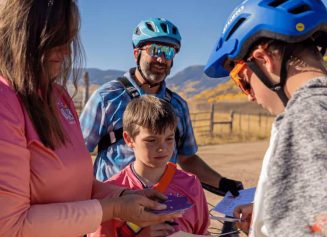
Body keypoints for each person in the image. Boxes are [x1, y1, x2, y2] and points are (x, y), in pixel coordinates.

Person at [0, 1, 181, 237]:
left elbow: (75, 183)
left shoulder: (55, 96)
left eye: (68, 39)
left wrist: (122, 196)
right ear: (21, 33)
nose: (66, 51)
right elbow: (3, 230)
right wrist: (114, 210)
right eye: (55, 39)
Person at [204, 0, 327, 237]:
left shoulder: (311, 117)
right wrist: (274, 214)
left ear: (264, 59)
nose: (249, 95)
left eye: (242, 79)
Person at [80, 17, 243, 196]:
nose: (161, 58)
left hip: (162, 204)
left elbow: (187, 158)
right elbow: (78, 154)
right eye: (155, 50)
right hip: (114, 203)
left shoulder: (178, 106)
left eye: (169, 52)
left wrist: (222, 183)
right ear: (137, 53)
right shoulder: (108, 98)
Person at [83, 95, 210, 237]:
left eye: (169, 138)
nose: (163, 148)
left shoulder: (191, 185)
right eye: (151, 140)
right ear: (129, 139)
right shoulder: (113, 191)